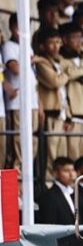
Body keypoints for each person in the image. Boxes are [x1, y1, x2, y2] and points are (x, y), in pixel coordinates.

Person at [1, 13, 41, 171]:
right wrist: (32, 60)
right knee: (18, 148)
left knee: (33, 145)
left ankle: (27, 185)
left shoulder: (27, 46)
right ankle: (16, 191)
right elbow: (15, 68)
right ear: (12, 27)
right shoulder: (9, 46)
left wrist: (39, 104)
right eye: (20, 27)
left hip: (32, 104)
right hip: (17, 104)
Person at [35, 27, 72, 181]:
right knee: (49, 156)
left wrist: (68, 115)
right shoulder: (42, 64)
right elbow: (55, 82)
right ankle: (48, 186)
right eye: (51, 43)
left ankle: (60, 186)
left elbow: (63, 94)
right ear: (42, 46)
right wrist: (68, 73)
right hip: (50, 115)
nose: (56, 46)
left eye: (58, 42)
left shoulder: (57, 63)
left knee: (60, 155)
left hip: (61, 116)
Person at [59, 21, 83, 160]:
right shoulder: (60, 59)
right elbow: (68, 75)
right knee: (71, 157)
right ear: (64, 39)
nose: (79, 41)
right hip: (71, 117)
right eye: (74, 37)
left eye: (80, 37)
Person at [37, 156, 76, 225]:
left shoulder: (74, 193)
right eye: (66, 171)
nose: (71, 174)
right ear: (55, 173)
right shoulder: (50, 196)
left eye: (73, 170)